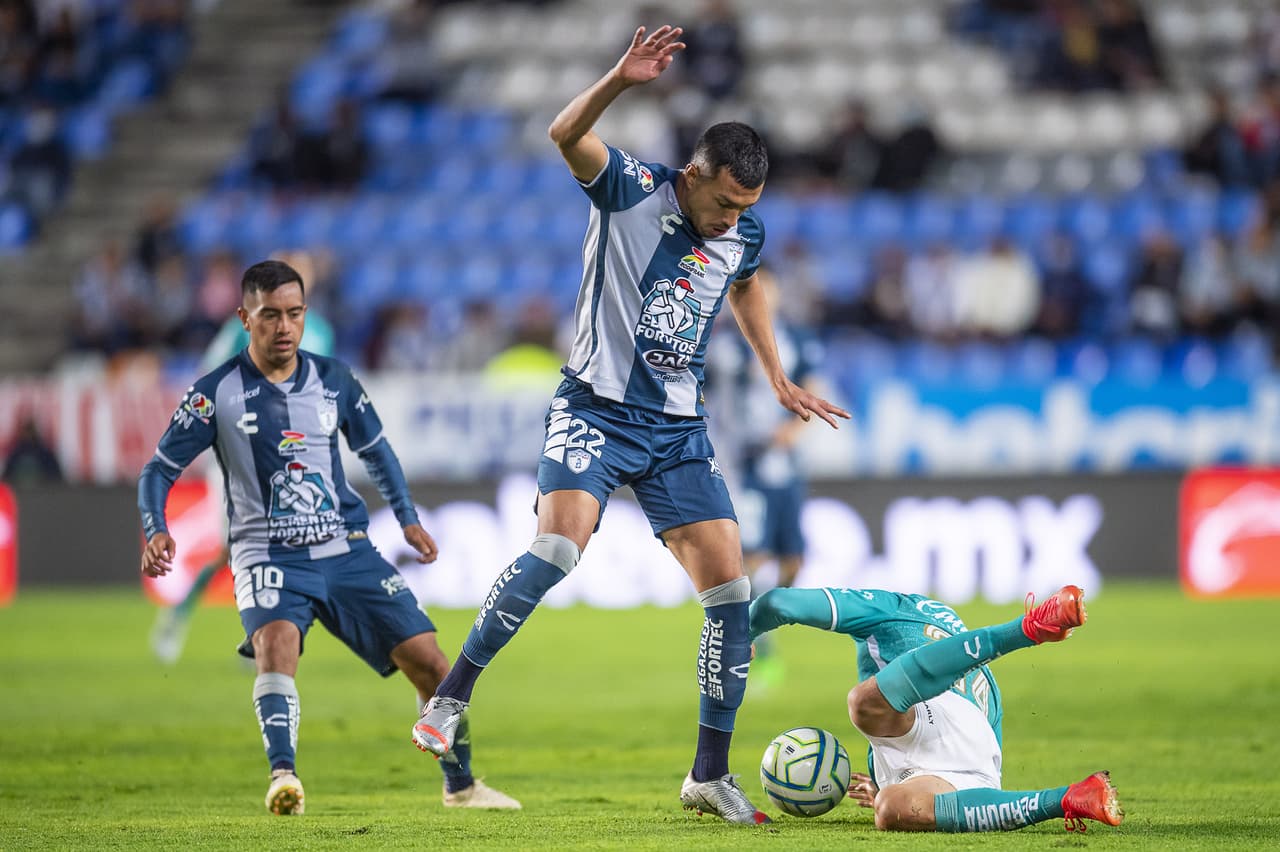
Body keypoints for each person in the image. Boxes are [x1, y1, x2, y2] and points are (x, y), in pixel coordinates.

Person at [410, 24, 849, 826]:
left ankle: (708, 776)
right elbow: (563, 133)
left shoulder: (743, 233)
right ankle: (450, 698)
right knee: (557, 547)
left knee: (730, 593)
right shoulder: (632, 188)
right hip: (595, 408)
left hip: (677, 430)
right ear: (694, 175)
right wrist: (618, 79)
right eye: (724, 203)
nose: (732, 220)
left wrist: (776, 374)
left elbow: (747, 284)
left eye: (746, 209)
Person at [138, 260, 519, 814]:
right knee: (275, 648)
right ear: (245, 318)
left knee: (434, 665)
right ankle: (284, 777)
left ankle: (460, 787)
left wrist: (407, 517)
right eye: (270, 315)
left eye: (294, 314)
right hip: (266, 553)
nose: (284, 327)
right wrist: (156, 527)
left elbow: (377, 450)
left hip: (345, 550)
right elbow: (158, 469)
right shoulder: (214, 393)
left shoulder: (334, 379)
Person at [748, 584, 1124, 833]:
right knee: (889, 807)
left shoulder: (891, 609)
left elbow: (776, 603)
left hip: (943, 724)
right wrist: (887, 781)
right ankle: (1074, 797)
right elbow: (987, 737)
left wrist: (739, 636)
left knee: (863, 705)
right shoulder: (967, 659)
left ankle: (1025, 629)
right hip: (970, 768)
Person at [708, 267, 824, 690]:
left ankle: (763, 623)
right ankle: (758, 650)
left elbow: (812, 385)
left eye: (767, 287)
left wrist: (793, 430)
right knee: (752, 559)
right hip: (743, 466)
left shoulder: (796, 339)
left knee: (793, 561)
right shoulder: (721, 344)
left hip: (785, 466)